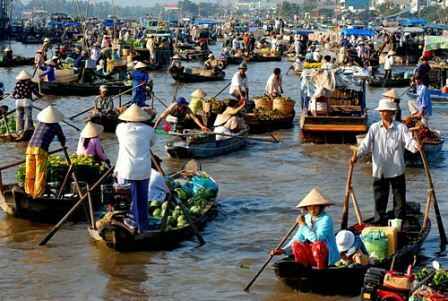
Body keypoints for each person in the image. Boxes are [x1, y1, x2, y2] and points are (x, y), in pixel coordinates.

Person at [352, 99, 421, 224]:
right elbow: (365, 146)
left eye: (385, 111)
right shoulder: (374, 128)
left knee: (399, 201)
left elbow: (409, 142)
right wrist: (356, 155)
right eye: (381, 111)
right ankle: (379, 222)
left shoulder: (401, 128)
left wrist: (416, 146)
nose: (382, 113)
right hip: (380, 170)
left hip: (397, 170)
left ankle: (398, 223)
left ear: (391, 113)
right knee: (379, 200)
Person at [270, 187, 340, 268]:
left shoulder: (326, 219)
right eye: (310, 207)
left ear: (321, 207)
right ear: (306, 208)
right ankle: (303, 268)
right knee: (296, 244)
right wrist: (283, 250)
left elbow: (317, 239)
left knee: (318, 245)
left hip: (326, 257)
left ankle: (321, 270)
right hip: (313, 254)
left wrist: (303, 225)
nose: (313, 210)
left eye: (315, 207)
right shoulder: (306, 218)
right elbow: (298, 237)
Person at [115, 104, 155, 233]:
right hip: (143, 169)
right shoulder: (149, 130)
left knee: (127, 200)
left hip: (126, 169)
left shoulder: (120, 128)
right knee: (142, 199)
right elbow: (151, 143)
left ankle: (130, 226)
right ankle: (142, 226)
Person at [25, 106, 66, 198]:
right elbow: (61, 138)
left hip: (30, 148)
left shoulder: (39, 124)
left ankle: (28, 192)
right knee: (40, 173)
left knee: (30, 172)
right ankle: (37, 195)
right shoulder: (56, 125)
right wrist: (63, 145)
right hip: (41, 150)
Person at [12, 70, 41, 135]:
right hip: (26, 102)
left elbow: (13, 94)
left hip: (18, 102)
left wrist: (15, 97)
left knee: (19, 116)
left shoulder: (17, 83)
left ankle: (19, 130)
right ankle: (28, 129)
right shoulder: (30, 84)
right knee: (28, 116)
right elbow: (35, 92)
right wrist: (40, 96)